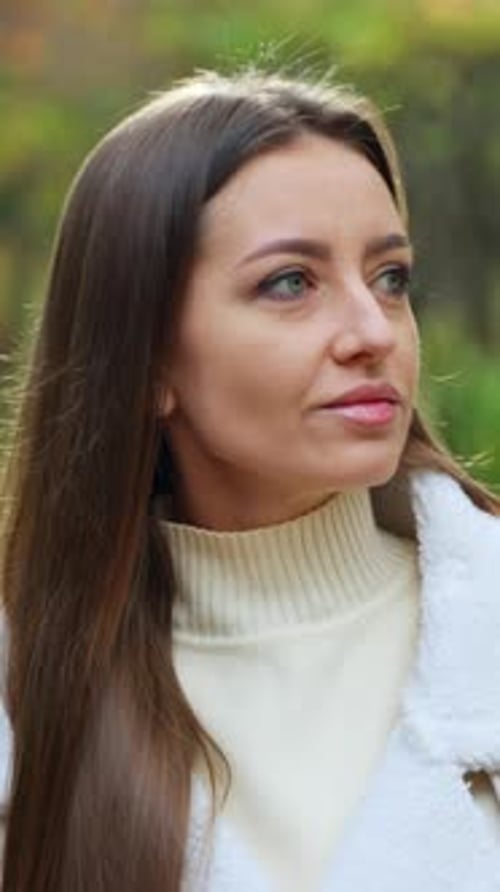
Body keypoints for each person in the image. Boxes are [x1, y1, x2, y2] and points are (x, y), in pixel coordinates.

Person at [0, 68, 500, 892]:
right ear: (149, 358)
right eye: (291, 284)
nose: (373, 332)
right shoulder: (29, 709)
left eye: (391, 277)